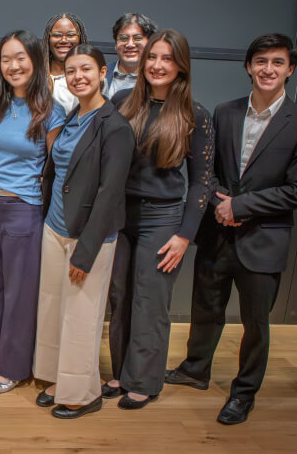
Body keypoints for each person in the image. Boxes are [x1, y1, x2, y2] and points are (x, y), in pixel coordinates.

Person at [165, 33, 297, 425]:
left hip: (263, 239)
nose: (269, 69)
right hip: (217, 232)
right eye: (261, 61)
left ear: (290, 69)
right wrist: (220, 204)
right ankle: (195, 369)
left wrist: (241, 207)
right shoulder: (225, 112)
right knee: (205, 308)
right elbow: (208, 170)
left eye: (278, 62)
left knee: (256, 324)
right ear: (249, 66)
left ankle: (243, 393)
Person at [105, 29, 214, 409]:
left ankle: (143, 380)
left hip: (163, 218)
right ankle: (121, 372)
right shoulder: (121, 102)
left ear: (181, 65)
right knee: (120, 296)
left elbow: (202, 182)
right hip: (120, 214)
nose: (157, 65)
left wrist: (185, 236)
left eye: (167, 58)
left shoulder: (194, 115)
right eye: (152, 57)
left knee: (150, 301)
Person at [33, 45, 134, 419]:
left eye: (86, 69)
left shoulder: (115, 127)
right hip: (55, 227)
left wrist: (86, 251)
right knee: (53, 308)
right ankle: (59, 379)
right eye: (71, 70)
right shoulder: (72, 116)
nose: (78, 77)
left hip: (88, 237)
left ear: (103, 73)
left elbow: (110, 194)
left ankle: (84, 394)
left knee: (81, 317)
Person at [0, 30, 65, 394]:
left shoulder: (51, 112)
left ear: (36, 61)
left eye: (20, 58)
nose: (13, 66)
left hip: (23, 209)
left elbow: (56, 169)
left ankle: (13, 367)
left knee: (19, 294)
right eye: (5, 59)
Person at [42, 13, 88, 114]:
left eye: (70, 35)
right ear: (48, 39)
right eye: (57, 35)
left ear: (80, 38)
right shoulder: (35, 78)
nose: (63, 40)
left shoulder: (92, 79)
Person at [105, 13, 157, 98]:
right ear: (116, 44)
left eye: (137, 38)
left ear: (150, 43)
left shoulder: (158, 78)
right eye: (124, 38)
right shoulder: (99, 75)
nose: (130, 44)